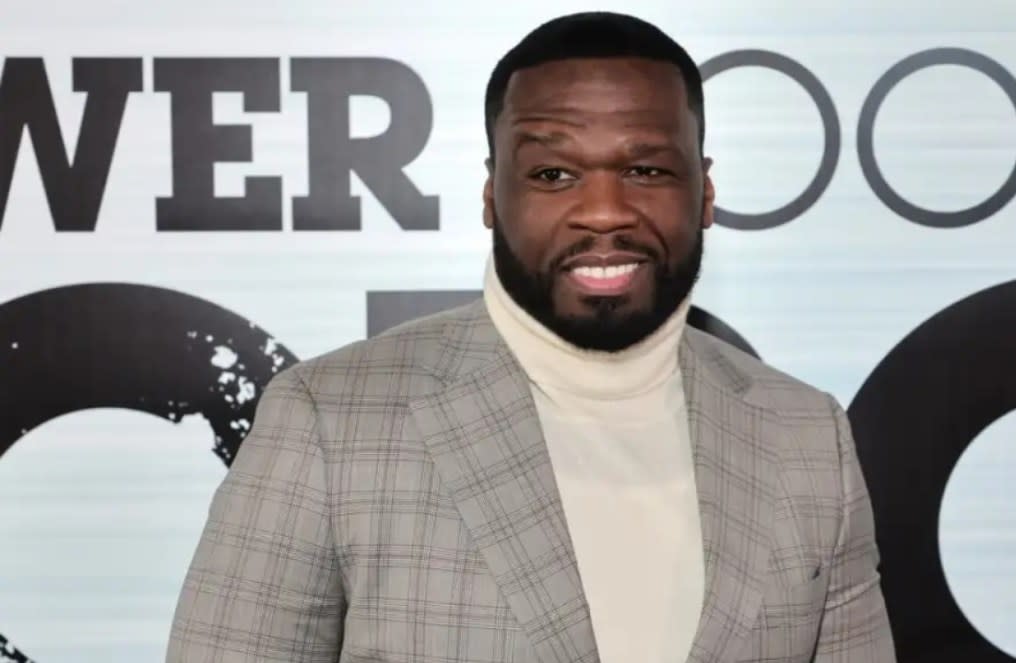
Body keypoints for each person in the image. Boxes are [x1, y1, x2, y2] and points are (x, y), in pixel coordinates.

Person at [166, 11, 895, 663]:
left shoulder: (807, 436)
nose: (604, 211)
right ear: (491, 195)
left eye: (646, 169)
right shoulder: (329, 420)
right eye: (553, 172)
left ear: (704, 192)